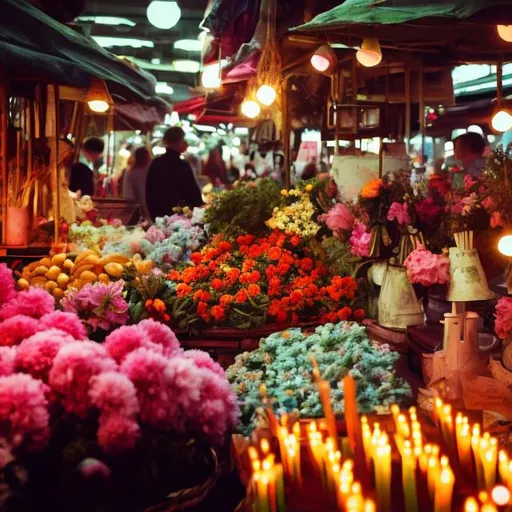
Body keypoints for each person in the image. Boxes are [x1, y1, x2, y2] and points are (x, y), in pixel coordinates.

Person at [145, 127, 203, 220]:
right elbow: (193, 193)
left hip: (160, 218)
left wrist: (155, 217)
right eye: (183, 140)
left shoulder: (156, 163)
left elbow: (149, 195)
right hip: (181, 219)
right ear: (177, 142)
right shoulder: (182, 165)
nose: (186, 143)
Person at [122, 146, 151, 219]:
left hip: (137, 207)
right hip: (151, 206)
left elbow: (127, 192)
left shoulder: (130, 172)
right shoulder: (151, 170)